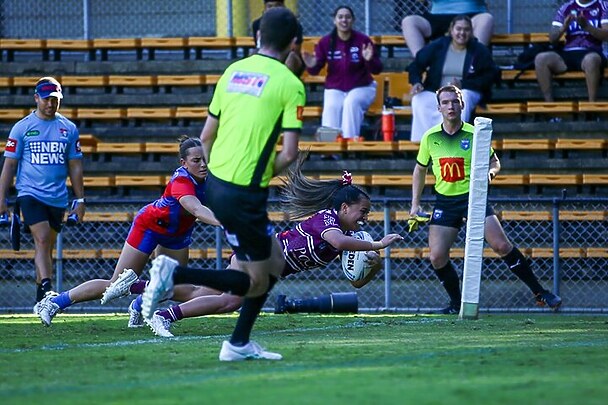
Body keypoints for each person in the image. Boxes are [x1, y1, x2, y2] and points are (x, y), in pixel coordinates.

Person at [128, 8, 304, 361]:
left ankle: (238, 343)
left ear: (258, 37)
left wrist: (221, 171)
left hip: (220, 186)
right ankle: (175, 273)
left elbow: (206, 135)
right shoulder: (290, 84)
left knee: (272, 263)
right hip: (245, 194)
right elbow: (289, 152)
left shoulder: (232, 72)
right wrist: (259, 174)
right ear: (294, 44)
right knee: (256, 280)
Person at [105, 156, 404, 338]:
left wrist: (372, 263)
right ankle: (163, 315)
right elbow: (337, 241)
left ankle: (139, 288)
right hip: (262, 252)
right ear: (344, 207)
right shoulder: (328, 220)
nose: (365, 218)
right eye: (362, 212)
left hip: (265, 261)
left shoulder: (342, 231)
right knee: (230, 301)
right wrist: (377, 243)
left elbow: (357, 279)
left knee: (206, 293)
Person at [35, 136, 222, 326]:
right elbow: (196, 209)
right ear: (184, 163)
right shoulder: (182, 180)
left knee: (169, 286)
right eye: (196, 161)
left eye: (205, 159)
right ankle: (54, 303)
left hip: (177, 235)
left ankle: (138, 305)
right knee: (116, 284)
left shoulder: (212, 179)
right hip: (150, 227)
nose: (203, 165)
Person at [409, 85, 562, 314]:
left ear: (462, 104)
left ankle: (540, 292)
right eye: (446, 102)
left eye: (455, 101)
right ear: (438, 107)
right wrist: (415, 204)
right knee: (437, 256)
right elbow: (420, 170)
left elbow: (495, 162)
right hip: (446, 201)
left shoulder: (475, 133)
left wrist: (490, 174)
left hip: (474, 198)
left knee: (501, 245)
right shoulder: (430, 137)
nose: (451, 106)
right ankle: (457, 304)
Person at [0, 77, 85, 313]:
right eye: (47, 99)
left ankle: (41, 298)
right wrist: (1, 200)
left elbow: (75, 166)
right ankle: (48, 288)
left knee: (45, 248)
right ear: (36, 98)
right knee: (43, 239)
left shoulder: (68, 128)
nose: (51, 104)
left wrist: (80, 200)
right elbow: (9, 166)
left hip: (57, 197)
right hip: (29, 193)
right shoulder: (22, 127)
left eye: (55, 100)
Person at [407, 15, 497, 143]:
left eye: (466, 30)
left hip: (468, 89)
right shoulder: (439, 46)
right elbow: (416, 65)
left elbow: (489, 76)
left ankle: (454, 140)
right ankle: (425, 142)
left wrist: (463, 84)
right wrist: (416, 82)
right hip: (438, 90)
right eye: (458, 29)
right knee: (419, 99)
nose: (462, 33)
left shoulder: (479, 50)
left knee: (462, 97)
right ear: (451, 30)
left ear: (471, 32)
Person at [302, 5, 382, 141]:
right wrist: (311, 65)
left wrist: (369, 60)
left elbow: (377, 69)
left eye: (347, 17)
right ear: (334, 20)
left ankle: (349, 143)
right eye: (340, 17)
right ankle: (328, 149)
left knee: (351, 103)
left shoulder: (363, 41)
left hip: (362, 87)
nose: (344, 20)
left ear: (353, 20)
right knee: (331, 107)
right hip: (335, 87)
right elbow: (315, 70)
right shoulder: (325, 42)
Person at [534, 0, 608, 102]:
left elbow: (606, 35)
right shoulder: (566, 7)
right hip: (568, 52)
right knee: (541, 59)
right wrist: (564, 27)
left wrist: (587, 27)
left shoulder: (603, 5)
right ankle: (549, 106)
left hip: (593, 50)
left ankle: (592, 105)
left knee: (591, 60)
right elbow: (552, 38)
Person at [401, 0, 494, 57]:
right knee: (409, 22)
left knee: (486, 19)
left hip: (472, 14)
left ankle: (473, 63)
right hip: (438, 16)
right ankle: (422, 63)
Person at [251, 0, 305, 76]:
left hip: (285, 54)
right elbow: (259, 46)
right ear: (265, 8)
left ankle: (286, 79)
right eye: (270, 6)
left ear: (283, 7)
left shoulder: (293, 24)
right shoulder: (257, 24)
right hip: (267, 53)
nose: (274, 9)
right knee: (253, 54)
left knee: (291, 57)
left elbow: (295, 50)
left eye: (277, 5)